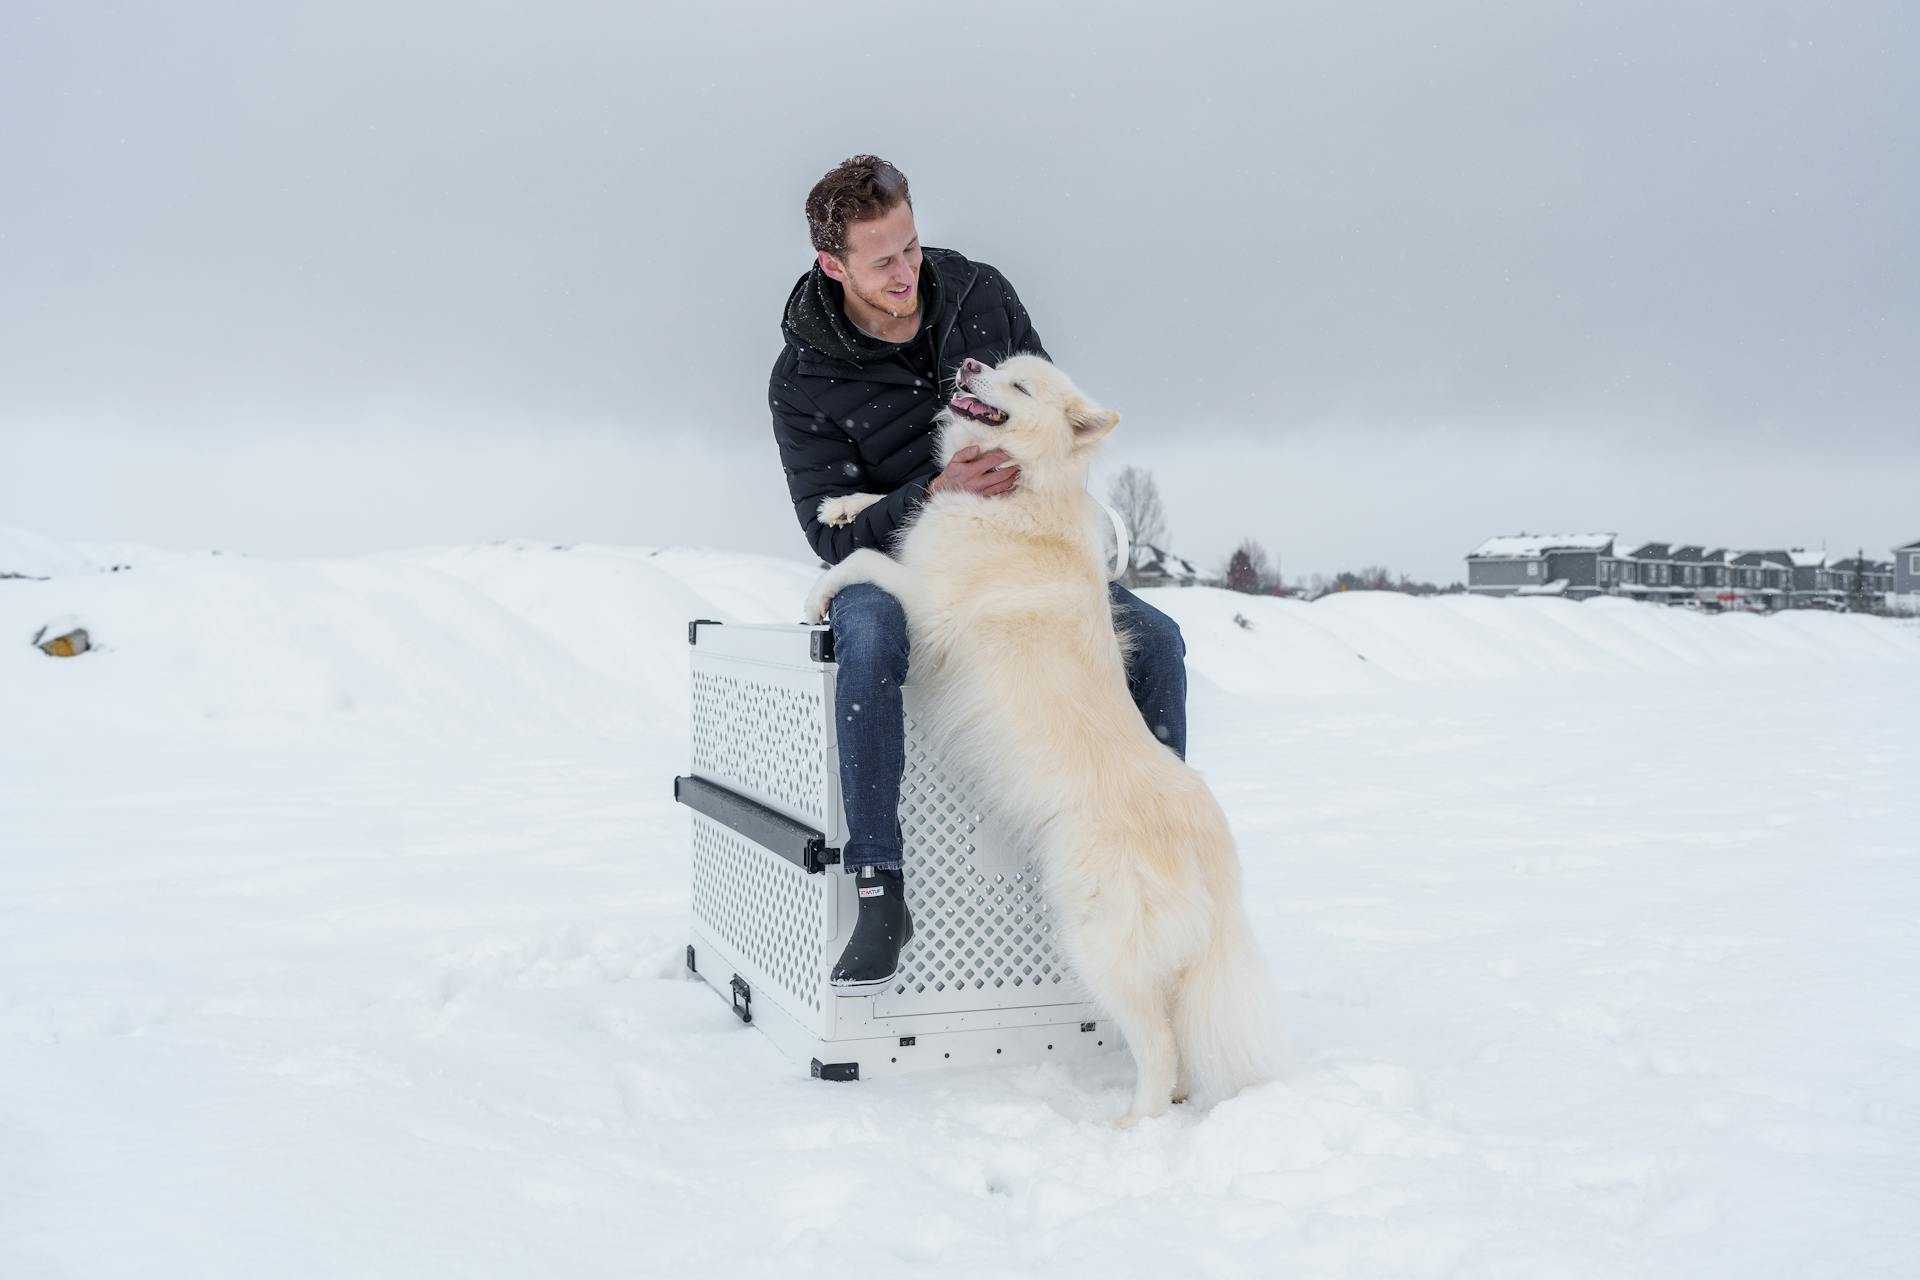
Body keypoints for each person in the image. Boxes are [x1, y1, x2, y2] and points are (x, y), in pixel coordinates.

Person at [768, 155, 1189, 993]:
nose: (906, 274)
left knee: (1161, 641)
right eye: (881, 260)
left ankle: (1157, 842)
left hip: (1021, 546)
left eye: (911, 247)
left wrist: (1029, 475)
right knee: (870, 632)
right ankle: (881, 889)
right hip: (895, 560)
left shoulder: (978, 293)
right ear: (833, 266)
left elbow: (1051, 418)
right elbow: (828, 532)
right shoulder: (804, 378)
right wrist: (933, 489)